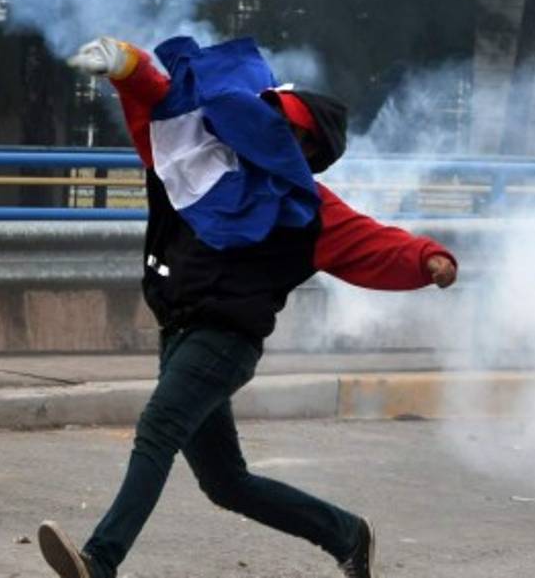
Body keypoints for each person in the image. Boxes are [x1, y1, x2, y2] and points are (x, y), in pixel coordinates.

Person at [38, 35, 457, 578]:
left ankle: (101, 561)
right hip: (180, 332)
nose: (265, 127)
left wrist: (430, 258)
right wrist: (127, 65)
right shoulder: (202, 160)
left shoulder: (307, 207)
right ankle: (347, 534)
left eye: (285, 127)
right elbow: (162, 103)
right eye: (265, 116)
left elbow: (374, 242)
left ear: (306, 151)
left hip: (226, 340)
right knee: (225, 482)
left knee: (159, 426)